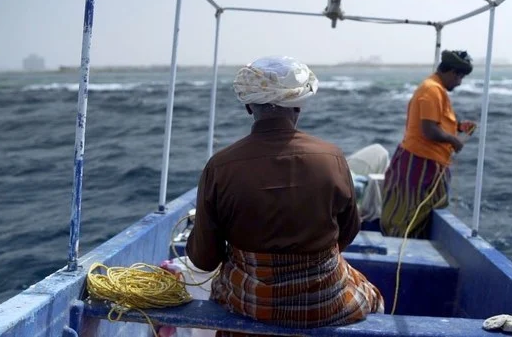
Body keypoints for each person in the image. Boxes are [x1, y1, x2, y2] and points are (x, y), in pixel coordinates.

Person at [185, 56, 384, 335]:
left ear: (247, 106)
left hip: (252, 303)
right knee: (374, 298)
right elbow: (348, 233)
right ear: (298, 106)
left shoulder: (219, 167)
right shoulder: (333, 158)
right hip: (324, 302)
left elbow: (204, 260)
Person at [380, 50, 477, 239]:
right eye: (460, 77)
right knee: (408, 214)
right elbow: (429, 130)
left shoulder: (435, 89)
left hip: (427, 162)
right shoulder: (432, 90)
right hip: (422, 165)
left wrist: (457, 127)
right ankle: (399, 249)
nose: (460, 83)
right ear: (452, 73)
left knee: (418, 211)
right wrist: (453, 139)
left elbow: (435, 122)